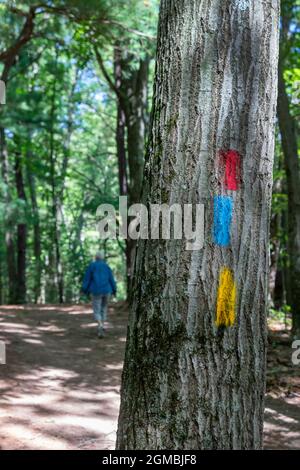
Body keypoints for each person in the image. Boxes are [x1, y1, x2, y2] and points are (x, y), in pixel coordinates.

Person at [81, 251, 117, 338]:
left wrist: (84, 289)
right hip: (107, 290)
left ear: (95, 257)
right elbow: (111, 279)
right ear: (102, 258)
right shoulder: (106, 266)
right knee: (104, 308)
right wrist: (114, 290)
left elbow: (87, 279)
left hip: (96, 291)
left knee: (97, 309)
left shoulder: (92, 266)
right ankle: (102, 325)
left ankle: (100, 325)